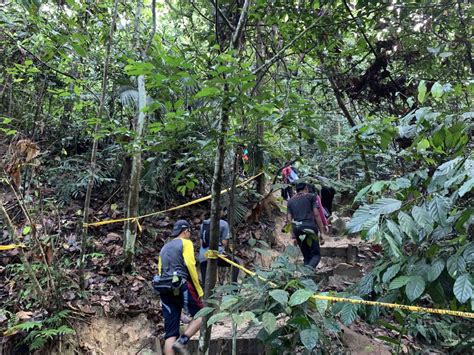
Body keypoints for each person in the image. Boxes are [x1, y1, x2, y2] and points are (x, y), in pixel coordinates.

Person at [154, 220, 204, 355]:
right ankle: (182, 341)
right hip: (182, 285)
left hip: (165, 288)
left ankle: (175, 343)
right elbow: (190, 265)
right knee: (202, 315)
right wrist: (198, 288)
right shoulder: (186, 243)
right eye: (189, 232)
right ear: (186, 231)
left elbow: (160, 271)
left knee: (170, 333)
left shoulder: (164, 247)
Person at [286, 182, 328, 269]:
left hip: (297, 229)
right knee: (316, 255)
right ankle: (306, 273)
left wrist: (293, 236)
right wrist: (322, 232)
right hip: (310, 227)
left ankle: (306, 278)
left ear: (296, 190)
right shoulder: (311, 197)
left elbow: (289, 221)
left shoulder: (290, 202)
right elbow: (316, 215)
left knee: (307, 256)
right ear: (306, 188)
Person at [198, 214, 241, 285]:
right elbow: (224, 242)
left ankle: (204, 291)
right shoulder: (224, 224)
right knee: (235, 263)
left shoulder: (204, 224)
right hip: (217, 254)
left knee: (205, 280)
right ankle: (234, 290)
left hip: (203, 256)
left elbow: (201, 242)